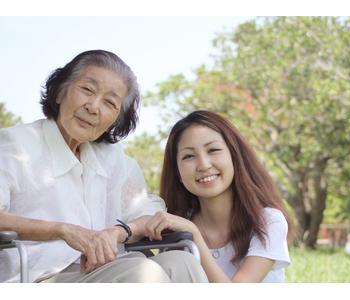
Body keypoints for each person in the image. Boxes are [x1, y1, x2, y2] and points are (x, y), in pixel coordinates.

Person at [0, 50, 207, 283]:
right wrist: (61, 230)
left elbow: (148, 216)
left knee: (181, 261)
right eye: (87, 90)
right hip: (39, 277)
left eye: (109, 102)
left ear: (116, 119)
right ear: (60, 92)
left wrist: (119, 232)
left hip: (106, 270)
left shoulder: (114, 161)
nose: (93, 107)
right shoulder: (14, 145)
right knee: (143, 273)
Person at [143, 110, 293, 282]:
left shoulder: (268, 222)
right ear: (178, 172)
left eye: (213, 150)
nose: (204, 165)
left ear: (234, 156)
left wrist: (193, 235)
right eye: (189, 156)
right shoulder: (175, 228)